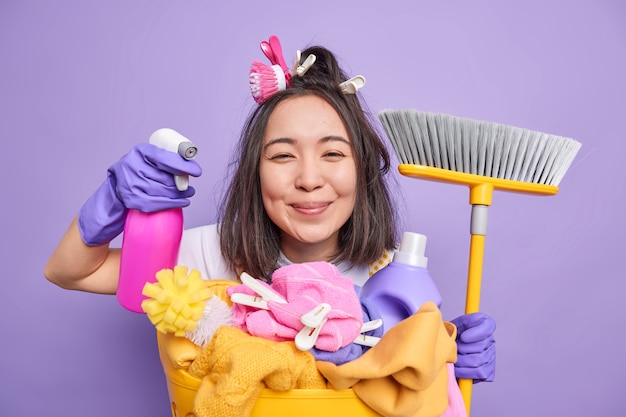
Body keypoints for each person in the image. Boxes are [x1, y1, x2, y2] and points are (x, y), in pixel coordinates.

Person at [44, 37, 495, 383]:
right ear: (254, 173)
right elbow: (73, 273)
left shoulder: (395, 278)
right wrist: (109, 203)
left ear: (362, 170)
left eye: (333, 154)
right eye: (282, 156)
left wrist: (438, 357)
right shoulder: (209, 254)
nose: (309, 179)